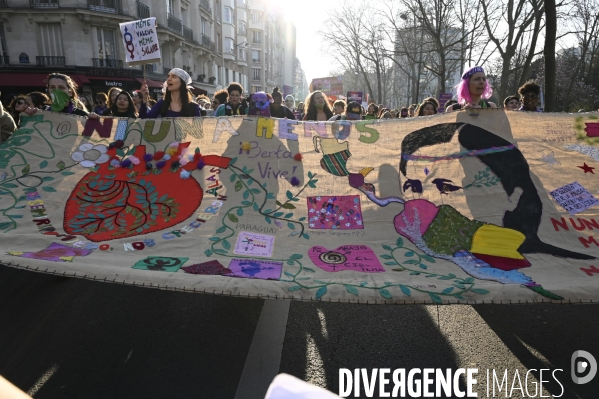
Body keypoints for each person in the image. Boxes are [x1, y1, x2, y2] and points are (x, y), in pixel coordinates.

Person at [24, 73, 88, 117]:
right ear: (48, 91)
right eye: (52, 87)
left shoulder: (81, 115)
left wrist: (93, 118)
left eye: (61, 87)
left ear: (70, 92)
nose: (57, 91)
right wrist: (30, 114)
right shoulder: (43, 111)